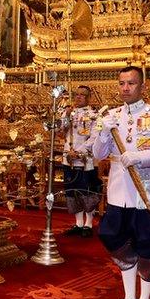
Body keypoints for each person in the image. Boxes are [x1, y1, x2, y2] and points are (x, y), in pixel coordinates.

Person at [93, 66, 150, 299]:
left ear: (142, 86)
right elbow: (98, 154)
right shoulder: (112, 115)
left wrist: (139, 157)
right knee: (116, 239)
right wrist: (104, 131)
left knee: (148, 243)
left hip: (146, 190)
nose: (125, 88)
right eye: (121, 83)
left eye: (131, 83)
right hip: (119, 191)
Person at [61, 85, 100, 237]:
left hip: (86, 159)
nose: (78, 97)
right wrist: (66, 117)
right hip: (68, 158)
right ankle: (78, 223)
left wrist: (80, 151)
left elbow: (95, 136)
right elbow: (60, 132)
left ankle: (88, 224)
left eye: (82, 95)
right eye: (76, 94)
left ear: (89, 97)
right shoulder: (68, 113)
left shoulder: (95, 115)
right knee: (72, 191)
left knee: (87, 191)